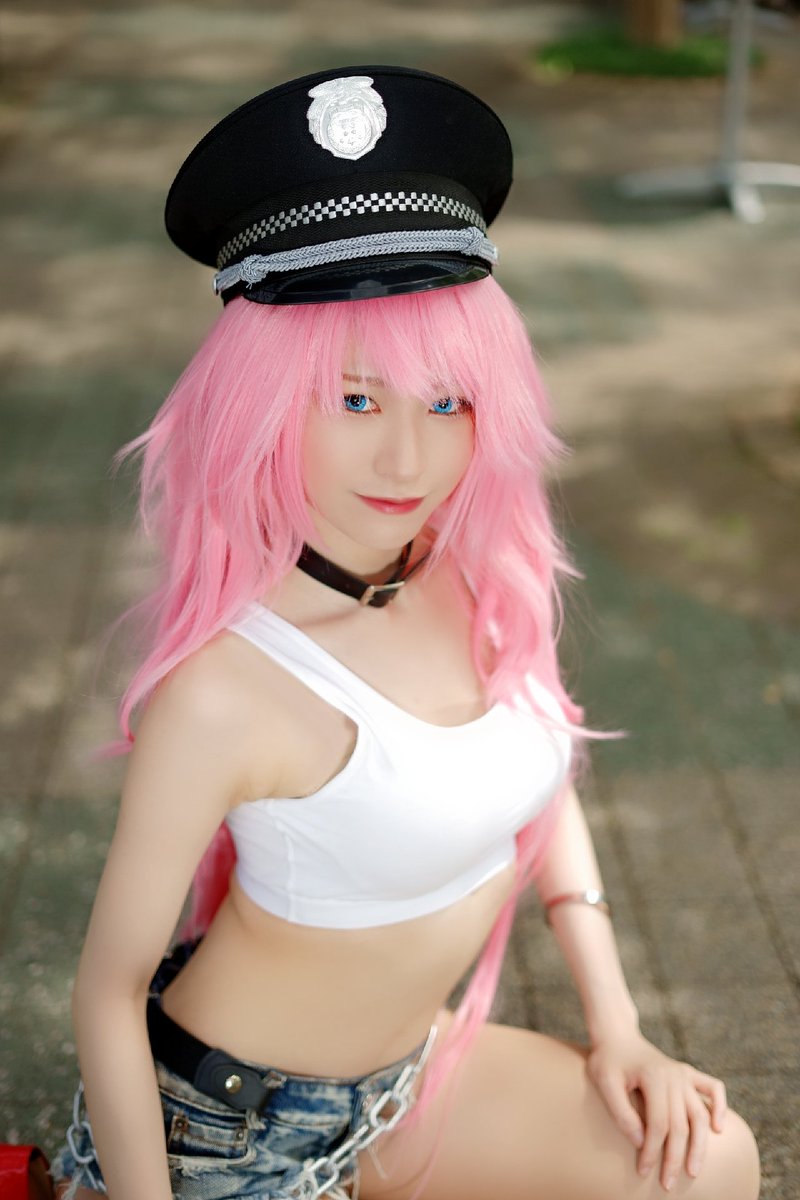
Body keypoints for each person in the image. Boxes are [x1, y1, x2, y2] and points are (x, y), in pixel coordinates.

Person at [48, 65, 760, 1200]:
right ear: (265, 401)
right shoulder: (223, 691)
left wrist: (618, 1028)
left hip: (406, 1086)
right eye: (355, 399)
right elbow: (105, 991)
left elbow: (540, 778)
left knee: (704, 1162)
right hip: (224, 1134)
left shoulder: (460, 578)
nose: (406, 458)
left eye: (446, 402)